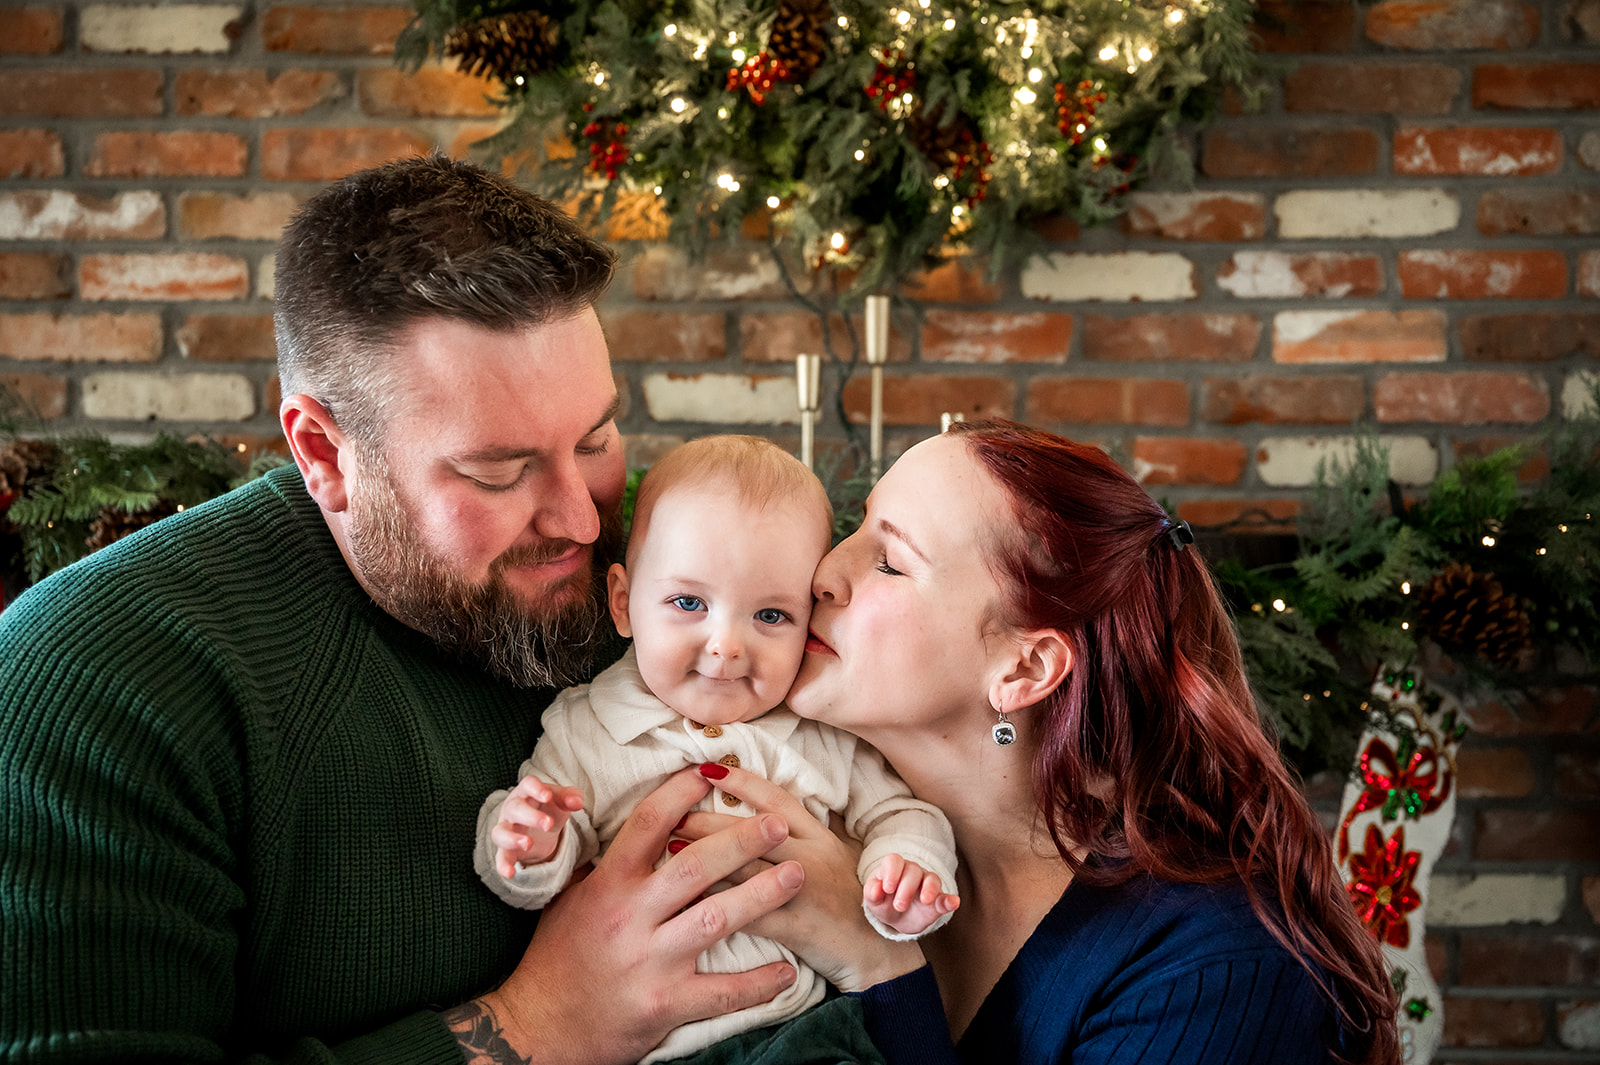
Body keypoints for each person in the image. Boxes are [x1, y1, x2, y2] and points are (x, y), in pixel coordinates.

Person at [0, 154, 808, 1065]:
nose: (582, 521)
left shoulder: (662, 580)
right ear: (323, 454)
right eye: (497, 472)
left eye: (595, 439)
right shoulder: (93, 684)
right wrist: (540, 1023)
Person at [685, 420, 1401, 1064]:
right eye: (855, 526)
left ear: (1024, 669)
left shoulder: (1218, 968)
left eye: (891, 560)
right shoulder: (824, 833)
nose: (825, 574)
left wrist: (880, 968)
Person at [478, 434, 959, 1064]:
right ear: (623, 603)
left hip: (803, 1032)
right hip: (646, 1048)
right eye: (688, 603)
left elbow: (901, 813)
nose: (727, 645)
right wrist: (530, 842)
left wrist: (905, 868)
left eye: (771, 616)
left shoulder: (820, 730)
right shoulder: (586, 728)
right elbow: (538, 874)